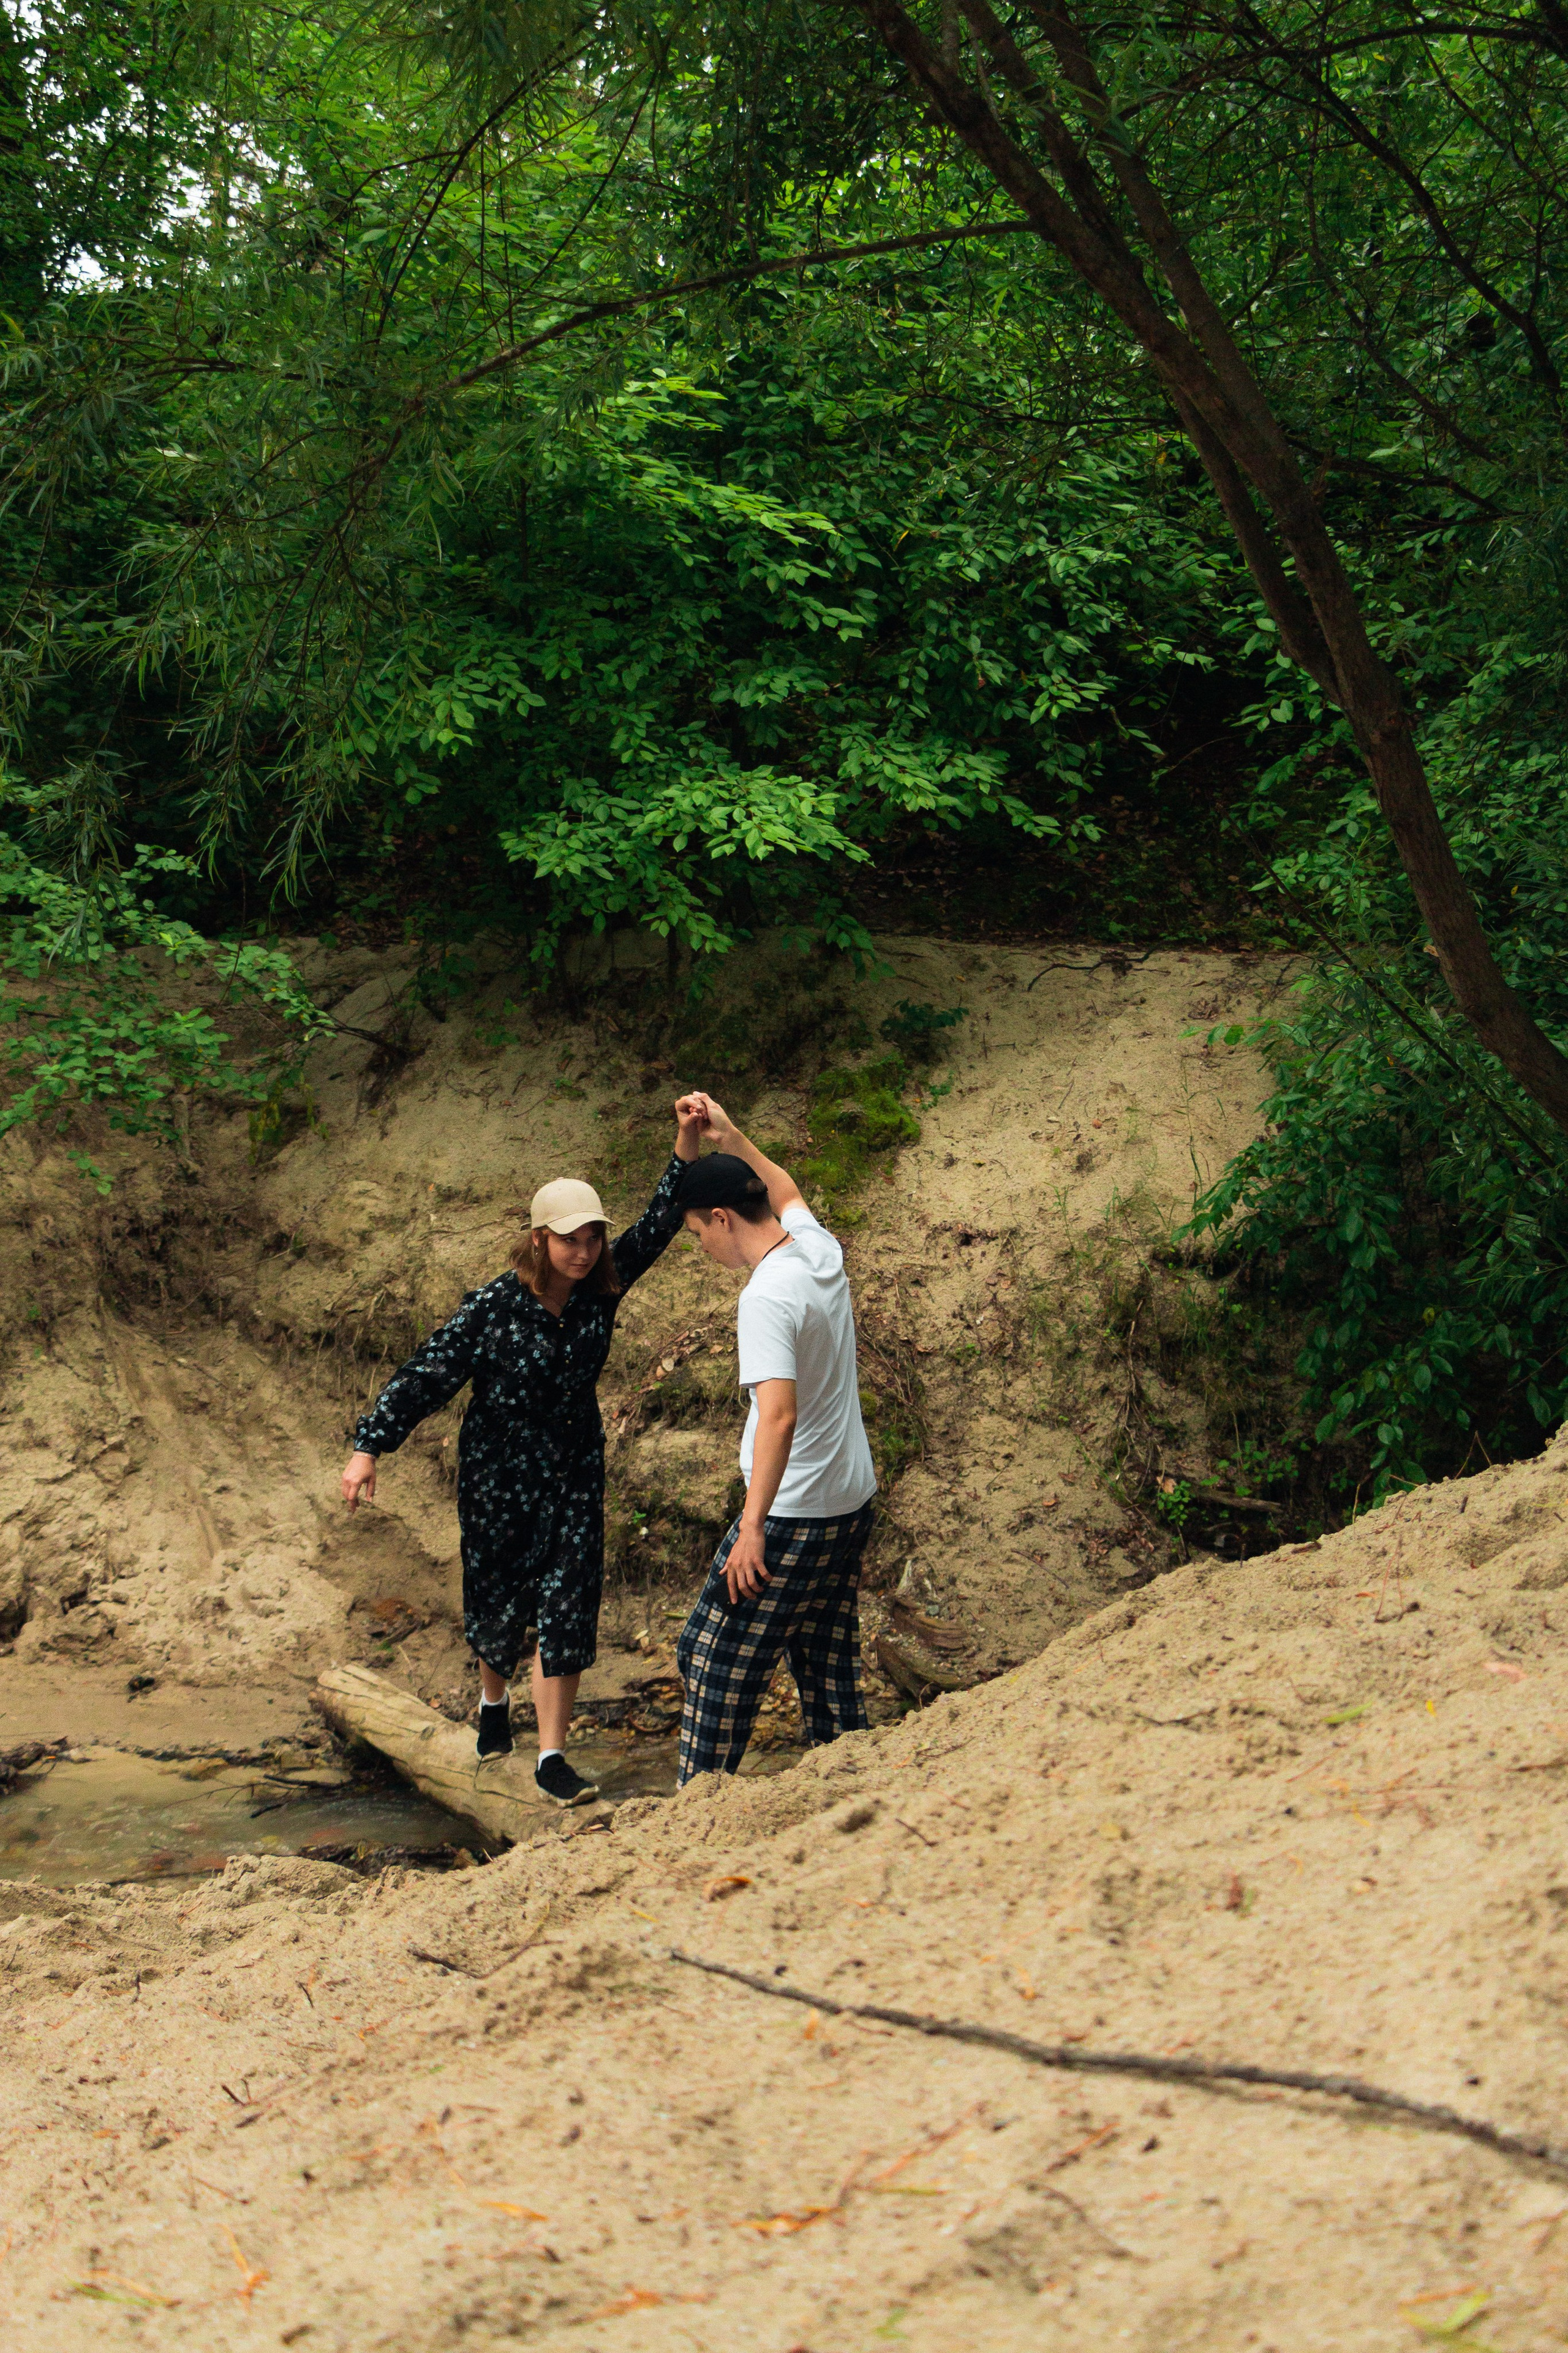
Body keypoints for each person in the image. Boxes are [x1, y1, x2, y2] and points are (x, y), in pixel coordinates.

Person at [339, 1100, 704, 1805]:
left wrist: (685, 1142)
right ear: (538, 1239)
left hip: (572, 1469)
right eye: (570, 1238)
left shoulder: (603, 1291)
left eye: (593, 1236)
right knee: (498, 1602)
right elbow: (428, 1372)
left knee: (567, 1604)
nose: (585, 1249)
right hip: (497, 1471)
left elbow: (661, 1220)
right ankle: (492, 1703)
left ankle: (552, 1756)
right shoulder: (492, 1308)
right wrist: (369, 1447)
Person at [671, 1092, 878, 1783]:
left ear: (723, 1217)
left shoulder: (764, 1295)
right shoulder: (818, 1251)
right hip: (848, 1499)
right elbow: (783, 1186)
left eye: (698, 1232)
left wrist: (752, 1525)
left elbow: (779, 1416)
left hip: (794, 1511)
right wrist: (731, 1137)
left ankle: (696, 1807)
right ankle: (845, 1777)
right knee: (823, 1656)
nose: (701, 1246)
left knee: (710, 1656)